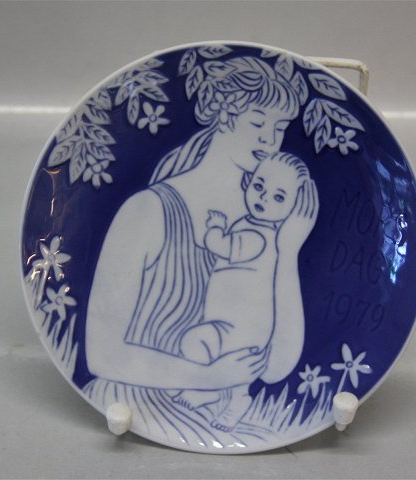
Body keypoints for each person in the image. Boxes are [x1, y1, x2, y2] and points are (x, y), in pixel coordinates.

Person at [83, 56, 319, 439]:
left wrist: (289, 251)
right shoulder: (149, 209)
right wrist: (206, 376)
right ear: (224, 114)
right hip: (138, 406)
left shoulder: (264, 225)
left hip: (216, 420)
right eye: (258, 123)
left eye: (278, 129)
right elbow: (101, 355)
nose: (269, 140)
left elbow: (274, 368)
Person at [173, 152, 313, 432]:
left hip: (245, 329)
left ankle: (238, 402)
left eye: (278, 197)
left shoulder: (260, 237)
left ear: (293, 207)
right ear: (247, 181)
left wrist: (214, 229)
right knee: (195, 343)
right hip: (223, 321)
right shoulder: (249, 224)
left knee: (231, 365)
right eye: (259, 186)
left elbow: (222, 246)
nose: (263, 198)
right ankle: (209, 391)